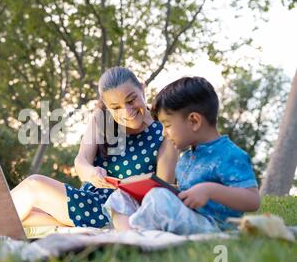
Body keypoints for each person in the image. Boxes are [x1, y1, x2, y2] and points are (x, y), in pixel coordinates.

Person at [0, 67, 178, 229]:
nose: (126, 112)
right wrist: (91, 173)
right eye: (116, 107)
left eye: (132, 100)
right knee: (23, 214)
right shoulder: (102, 121)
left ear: (142, 88)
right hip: (89, 198)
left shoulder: (163, 132)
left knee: (34, 186)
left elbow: (161, 192)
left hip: (120, 210)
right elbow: (81, 162)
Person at [102, 76, 261, 234]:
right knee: (122, 196)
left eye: (167, 125)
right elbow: (188, 192)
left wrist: (208, 190)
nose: (164, 133)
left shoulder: (228, 154)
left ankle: (137, 233)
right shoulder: (186, 158)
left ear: (194, 121)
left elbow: (252, 200)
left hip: (215, 225)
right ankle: (129, 234)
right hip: (186, 215)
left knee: (159, 198)